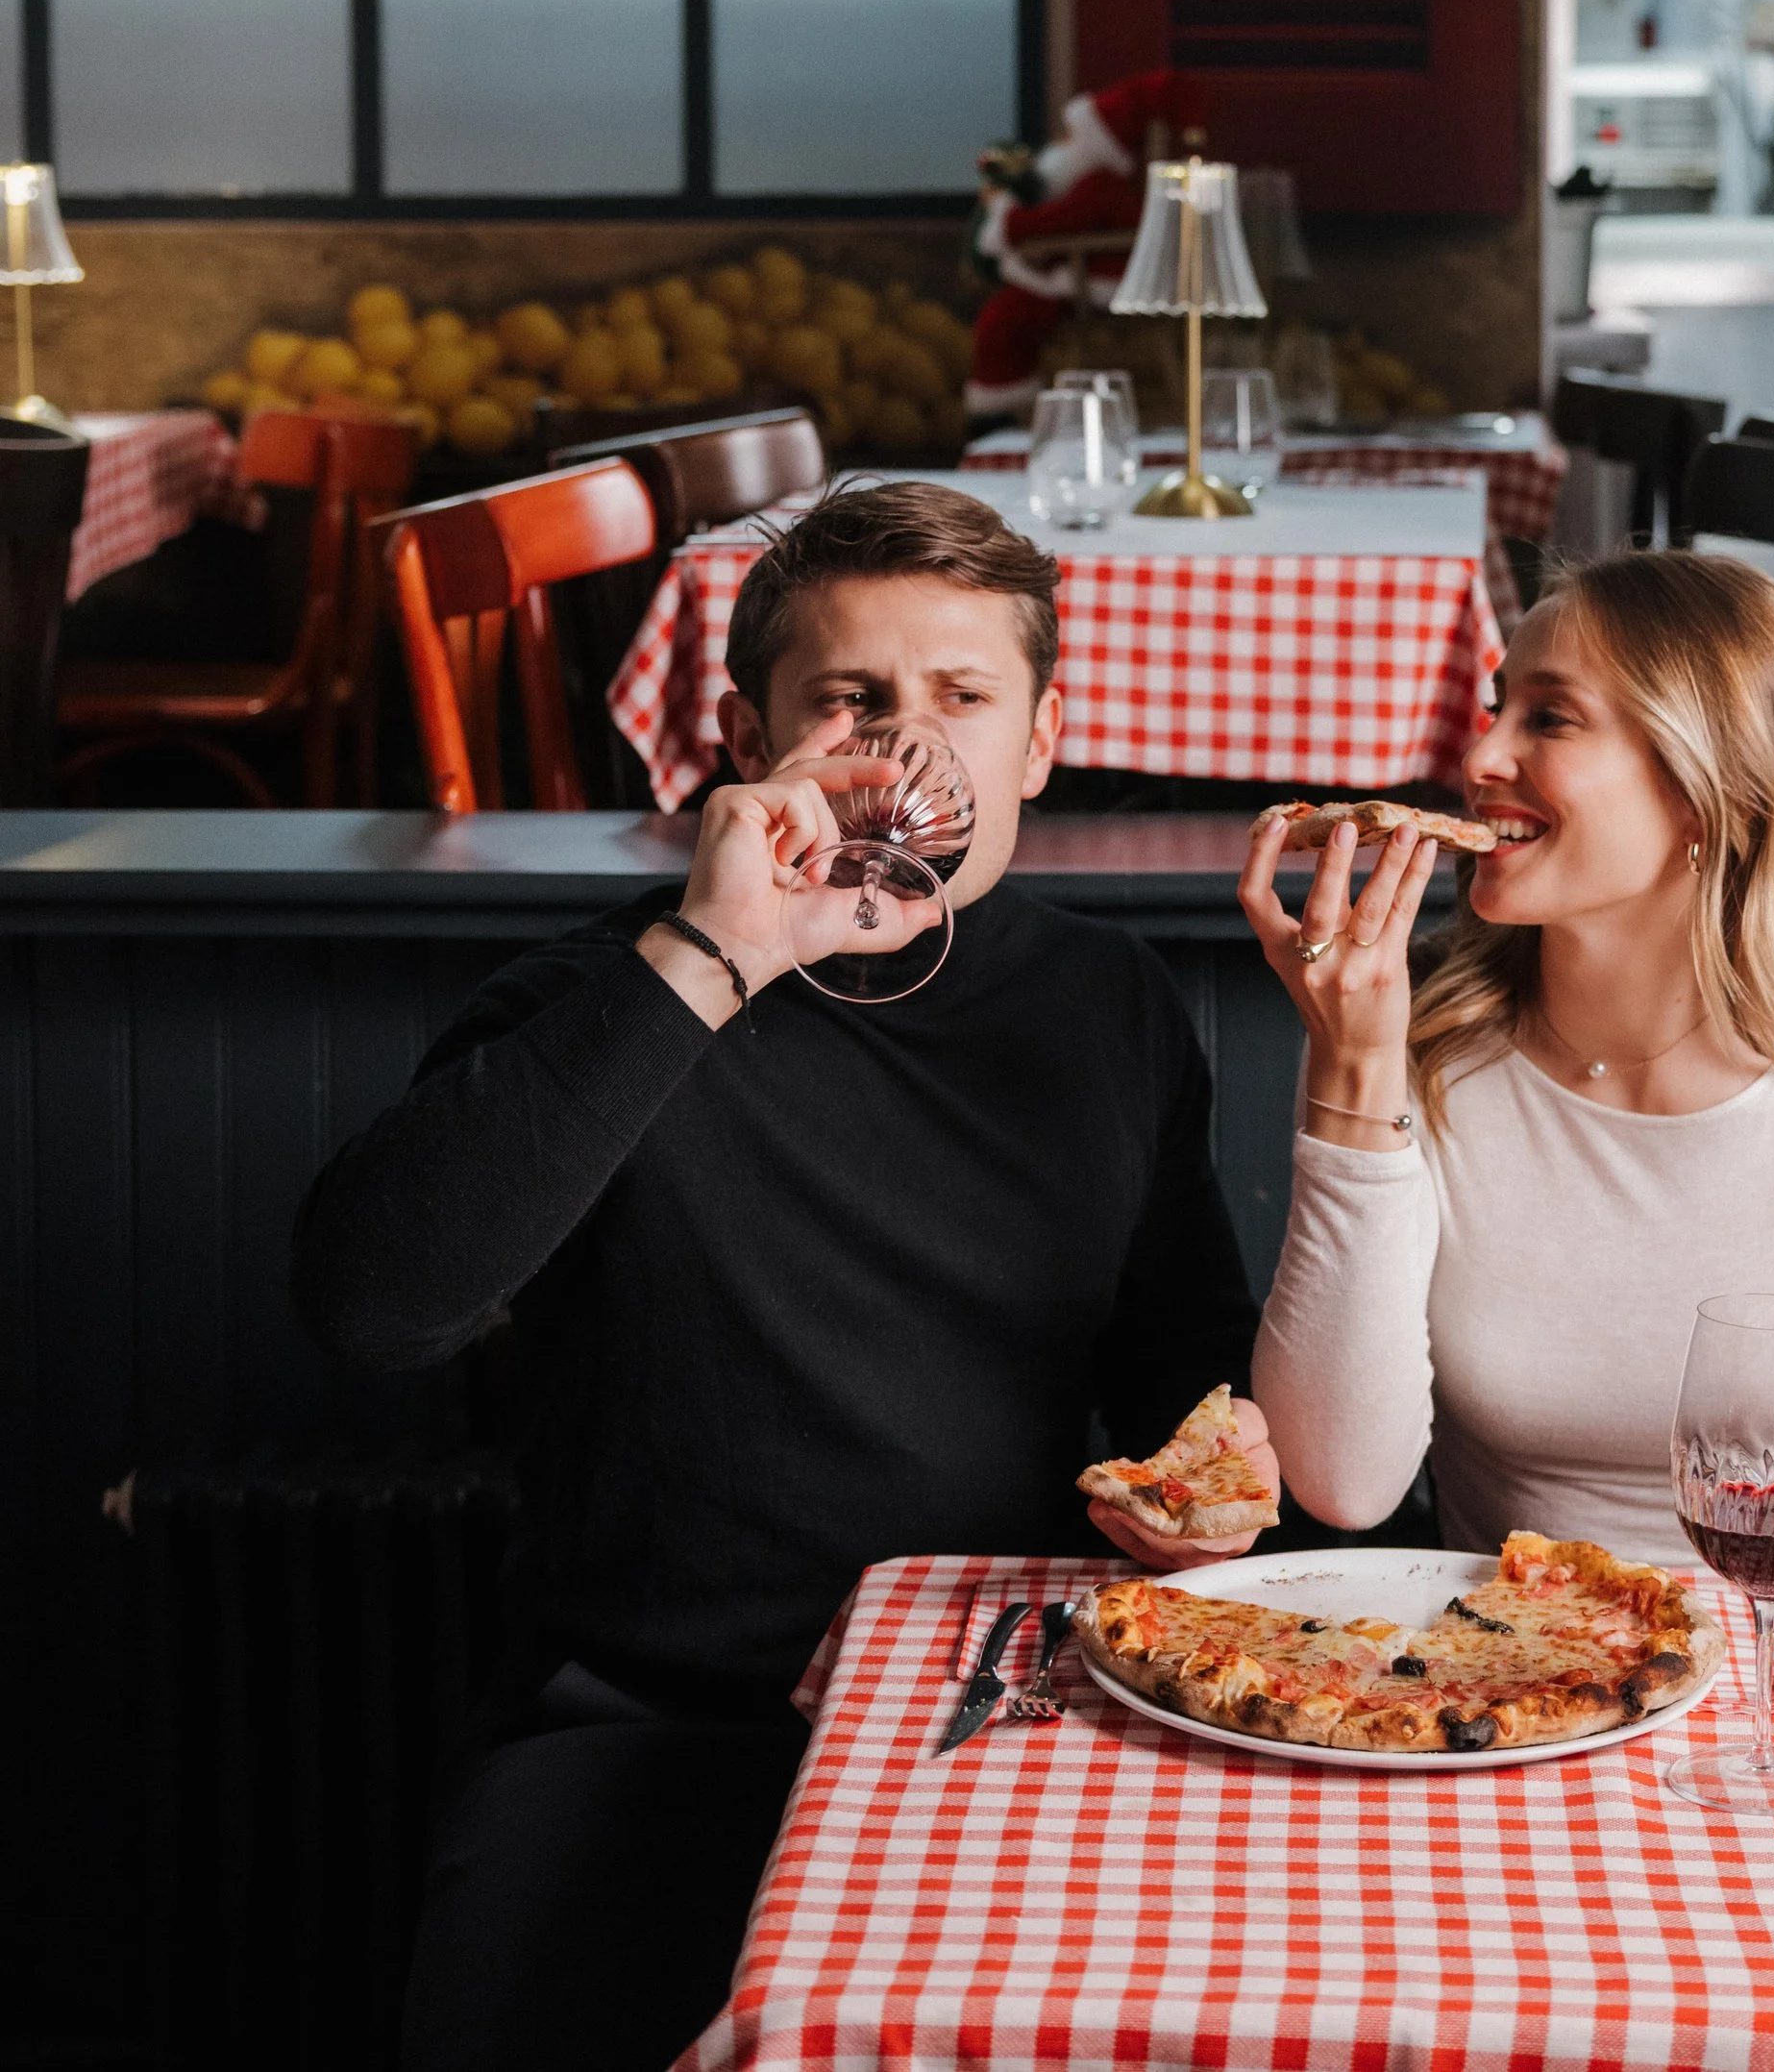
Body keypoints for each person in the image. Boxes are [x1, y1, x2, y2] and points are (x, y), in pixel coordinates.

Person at [292, 479, 1269, 2072]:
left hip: (1007, 1717)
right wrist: (715, 958)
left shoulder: (1108, 1005)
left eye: (963, 700)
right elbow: (368, 1306)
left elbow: (1194, 1382)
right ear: (751, 737)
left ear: (1038, 743)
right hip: (647, 1731)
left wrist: (1210, 1487)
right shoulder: (610, 997)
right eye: (852, 702)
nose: (908, 751)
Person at [1242, 548, 1774, 1582]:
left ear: (1706, 786)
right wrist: (1353, 1065)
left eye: (1547, 718)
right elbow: (1340, 1479)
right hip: (1497, 1691)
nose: (1482, 754)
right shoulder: (1409, 1038)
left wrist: (1671, 1673)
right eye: (1498, 706)